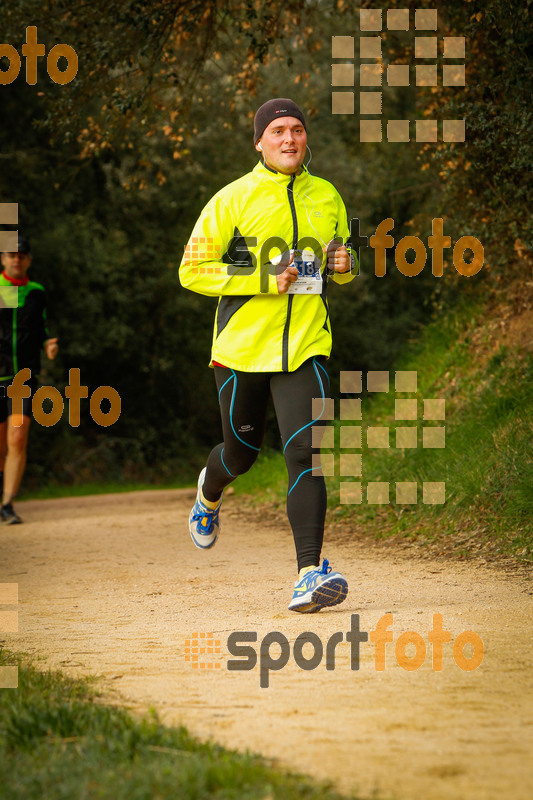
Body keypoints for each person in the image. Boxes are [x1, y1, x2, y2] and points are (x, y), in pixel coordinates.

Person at [179, 98, 357, 612]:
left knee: (305, 454)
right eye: (277, 131)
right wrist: (261, 280)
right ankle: (209, 492)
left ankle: (308, 573)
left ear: (306, 139)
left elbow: (335, 267)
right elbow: (191, 270)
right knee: (241, 455)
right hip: (241, 351)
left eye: (297, 130)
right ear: (259, 141)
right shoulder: (233, 199)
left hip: (306, 347)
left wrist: (345, 264)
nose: (288, 139)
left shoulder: (327, 196)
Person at [0, 235, 58, 523]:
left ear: (29, 260)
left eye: (21, 255)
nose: (16, 259)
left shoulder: (36, 292)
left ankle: (7, 505)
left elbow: (42, 325)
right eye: (11, 254)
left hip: (22, 377)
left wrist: (49, 342)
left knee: (17, 436)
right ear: (3, 259)